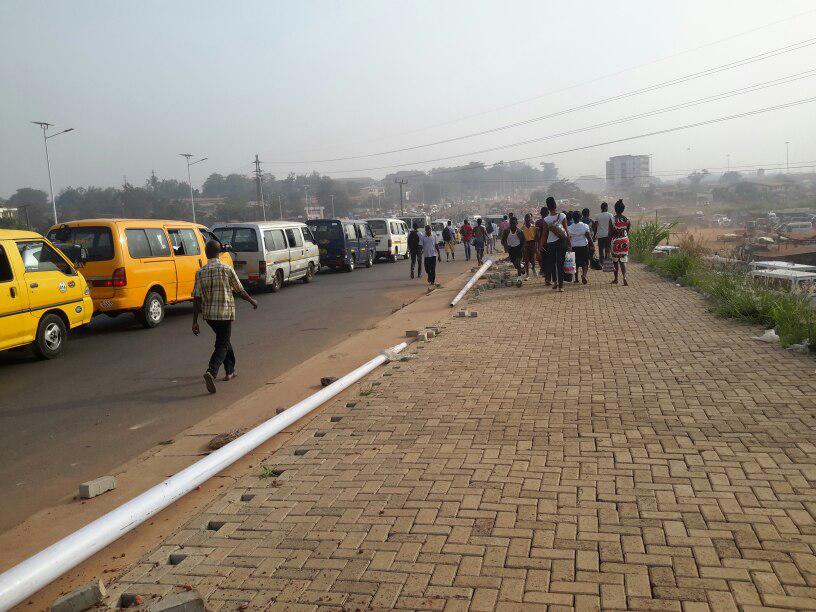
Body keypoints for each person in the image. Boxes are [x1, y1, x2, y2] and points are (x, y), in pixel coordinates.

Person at [192, 240, 259, 393]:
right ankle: (212, 371)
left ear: (206, 253)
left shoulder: (200, 272)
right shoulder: (226, 269)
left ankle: (230, 370)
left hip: (209, 316)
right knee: (222, 343)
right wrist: (252, 301)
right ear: (219, 252)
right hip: (224, 313)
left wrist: (194, 321)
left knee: (224, 339)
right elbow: (240, 290)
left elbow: (196, 298)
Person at [541, 197, 570, 292]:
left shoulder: (546, 219)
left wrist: (541, 245)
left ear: (548, 207)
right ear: (555, 205)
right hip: (562, 242)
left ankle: (555, 282)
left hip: (551, 243)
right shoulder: (562, 216)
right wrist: (569, 242)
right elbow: (566, 230)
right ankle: (561, 286)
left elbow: (544, 234)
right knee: (560, 264)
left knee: (552, 263)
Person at [567, 211, 593, 285]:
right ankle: (584, 275)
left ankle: (576, 279)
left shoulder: (570, 227)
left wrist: (568, 247)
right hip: (583, 246)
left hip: (574, 247)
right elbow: (588, 236)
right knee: (585, 263)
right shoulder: (585, 226)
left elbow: (568, 238)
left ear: (573, 218)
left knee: (575, 263)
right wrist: (592, 245)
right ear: (581, 217)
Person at [609, 199, 631, 286]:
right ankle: (624, 277)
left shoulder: (612, 220)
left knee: (615, 261)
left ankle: (616, 279)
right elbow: (627, 231)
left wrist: (607, 245)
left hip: (615, 241)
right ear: (623, 209)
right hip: (625, 240)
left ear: (615, 209)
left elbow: (610, 233)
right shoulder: (627, 220)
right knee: (623, 260)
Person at [521, 212, 537, 278]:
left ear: (531, 219)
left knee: (532, 260)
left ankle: (533, 269)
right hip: (525, 245)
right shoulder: (522, 228)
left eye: (529, 218)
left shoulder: (533, 227)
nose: (527, 219)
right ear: (525, 219)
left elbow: (536, 238)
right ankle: (527, 274)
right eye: (526, 218)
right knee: (526, 260)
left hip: (532, 244)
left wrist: (536, 246)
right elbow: (521, 238)